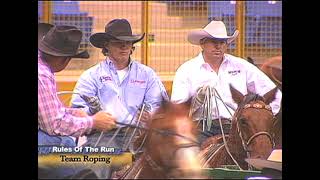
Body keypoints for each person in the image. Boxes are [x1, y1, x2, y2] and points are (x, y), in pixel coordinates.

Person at [70, 19, 168, 178]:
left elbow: (159, 104)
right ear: (106, 46)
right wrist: (93, 117)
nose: (124, 46)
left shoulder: (147, 74)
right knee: (95, 167)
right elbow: (79, 110)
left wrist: (152, 116)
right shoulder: (91, 76)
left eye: (128, 43)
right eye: (118, 42)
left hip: (141, 135)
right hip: (104, 135)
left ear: (132, 47)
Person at [171, 20, 282, 144]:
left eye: (222, 42)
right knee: (189, 155)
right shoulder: (187, 70)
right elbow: (177, 109)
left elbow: (274, 94)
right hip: (201, 128)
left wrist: (260, 117)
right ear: (202, 43)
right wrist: (197, 101)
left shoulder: (242, 66)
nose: (218, 46)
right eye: (214, 42)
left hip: (237, 127)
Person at [38, 23, 116, 178]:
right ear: (64, 60)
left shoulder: (42, 68)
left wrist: (72, 112)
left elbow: (47, 112)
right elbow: (54, 124)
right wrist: (93, 122)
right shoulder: (42, 74)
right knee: (67, 146)